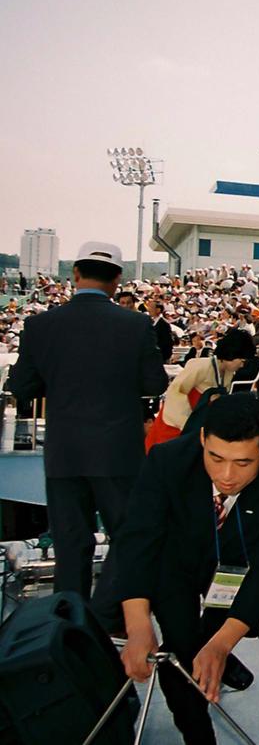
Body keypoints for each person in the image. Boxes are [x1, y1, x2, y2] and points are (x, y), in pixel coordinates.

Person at [115, 394, 259, 744]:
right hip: (174, 562)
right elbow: (137, 539)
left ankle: (218, 654)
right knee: (183, 650)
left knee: (210, 644)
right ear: (202, 438)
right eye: (215, 458)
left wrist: (222, 644)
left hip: (232, 571)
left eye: (243, 463)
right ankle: (199, 736)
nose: (227, 476)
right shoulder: (167, 461)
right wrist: (138, 622)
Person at [7, 242, 169, 632]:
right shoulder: (135, 325)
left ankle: (70, 628)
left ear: (75, 275)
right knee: (129, 536)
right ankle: (109, 611)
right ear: (117, 280)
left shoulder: (41, 325)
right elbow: (154, 382)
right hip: (118, 451)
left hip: (64, 450)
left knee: (70, 543)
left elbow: (22, 385)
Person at [145, 330, 256, 451]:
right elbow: (175, 392)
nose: (242, 365)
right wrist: (187, 424)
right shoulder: (200, 366)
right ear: (232, 354)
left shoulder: (228, 373)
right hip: (176, 427)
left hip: (198, 428)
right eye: (242, 361)